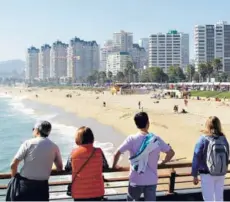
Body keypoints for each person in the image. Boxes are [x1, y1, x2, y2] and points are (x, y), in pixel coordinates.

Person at [112, 112, 175, 201]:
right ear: (148, 123)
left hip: (136, 179)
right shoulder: (156, 139)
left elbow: (116, 154)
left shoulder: (131, 139)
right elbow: (171, 153)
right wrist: (163, 161)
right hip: (151, 180)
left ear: (136, 124)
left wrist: (114, 166)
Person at [10, 120, 63, 201]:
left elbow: (13, 164)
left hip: (25, 185)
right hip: (42, 187)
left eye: (33, 129)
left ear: (37, 130)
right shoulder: (54, 146)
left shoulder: (28, 143)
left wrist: (14, 178)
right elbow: (59, 167)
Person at [65, 126, 109, 201]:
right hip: (96, 191)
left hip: (79, 192)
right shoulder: (98, 152)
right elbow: (105, 166)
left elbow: (67, 168)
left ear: (78, 138)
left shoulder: (73, 153)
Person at [192, 116, 229, 201]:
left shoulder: (203, 138)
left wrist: (194, 174)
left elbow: (196, 156)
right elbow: (227, 154)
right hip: (220, 172)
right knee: (219, 198)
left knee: (208, 198)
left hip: (206, 173)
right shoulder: (223, 138)